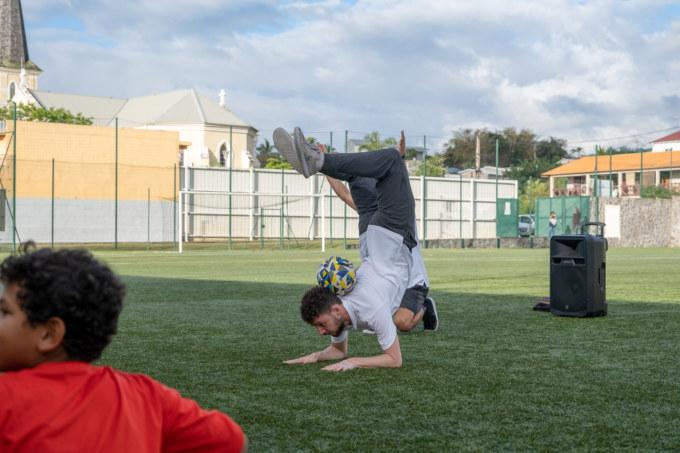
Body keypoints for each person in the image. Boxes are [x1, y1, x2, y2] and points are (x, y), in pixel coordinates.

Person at [0, 243, 247, 453]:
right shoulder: (147, 395)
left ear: (49, 333)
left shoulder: (7, 399)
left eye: (4, 312)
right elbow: (233, 441)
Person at [274, 126, 437, 371]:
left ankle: (318, 161)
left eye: (320, 324)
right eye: (320, 328)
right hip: (383, 236)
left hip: (383, 236)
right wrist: (318, 356)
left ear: (336, 307)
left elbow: (388, 359)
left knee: (387, 163)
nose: (321, 332)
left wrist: (351, 363)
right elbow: (347, 352)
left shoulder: (356, 306)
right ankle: (318, 161)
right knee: (372, 169)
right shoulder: (351, 311)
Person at [318, 135, 437, 333]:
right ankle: (323, 161)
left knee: (402, 323)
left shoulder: (396, 216)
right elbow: (345, 194)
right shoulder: (371, 217)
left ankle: (425, 306)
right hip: (380, 277)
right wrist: (326, 168)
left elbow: (401, 185)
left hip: (411, 280)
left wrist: (401, 159)